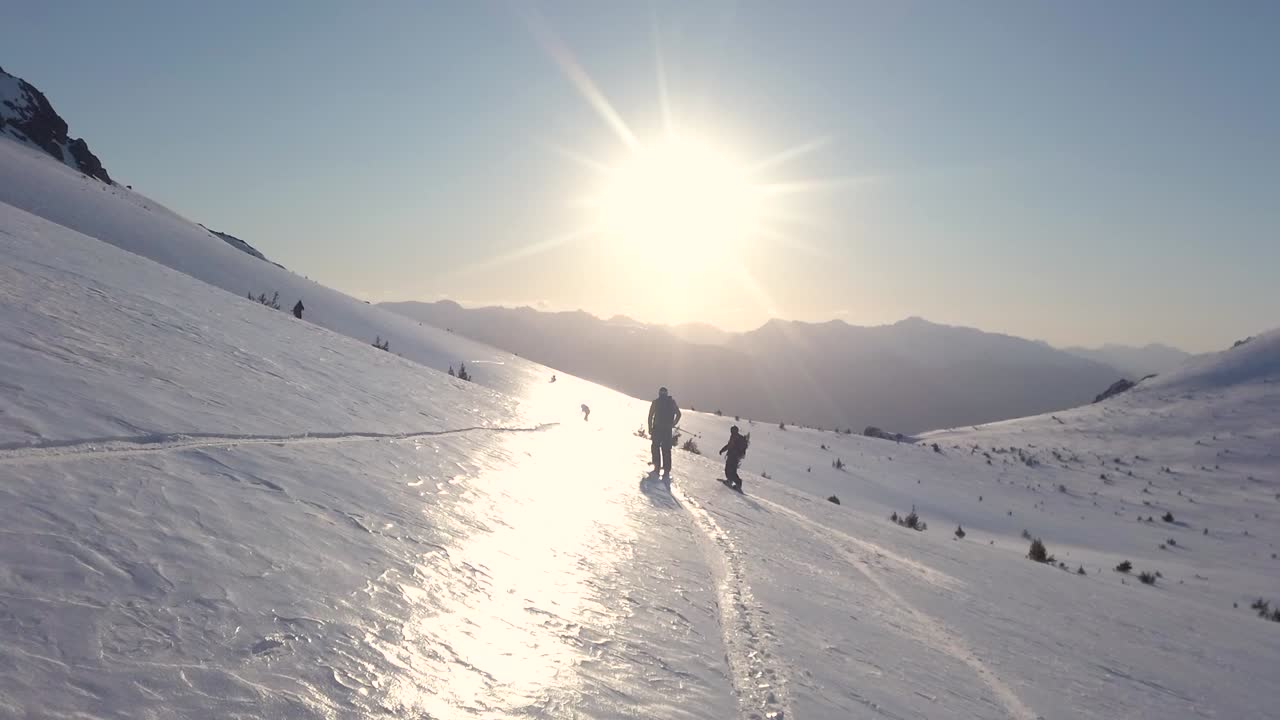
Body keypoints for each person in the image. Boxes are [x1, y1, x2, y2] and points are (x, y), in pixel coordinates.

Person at [647, 386, 681, 476]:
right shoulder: (671, 402)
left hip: (657, 429)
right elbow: (679, 414)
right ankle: (666, 469)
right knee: (666, 449)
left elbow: (650, 416)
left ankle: (657, 467)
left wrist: (650, 428)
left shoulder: (656, 402)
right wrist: (673, 423)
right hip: (667, 430)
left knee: (655, 447)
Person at [719, 425, 750, 490]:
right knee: (731, 470)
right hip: (735, 457)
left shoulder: (735, 437)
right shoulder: (736, 437)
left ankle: (734, 482)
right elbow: (729, 445)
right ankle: (735, 482)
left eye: (732, 430)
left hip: (733, 456)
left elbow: (729, 446)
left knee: (729, 469)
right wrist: (722, 450)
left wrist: (722, 450)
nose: (731, 432)